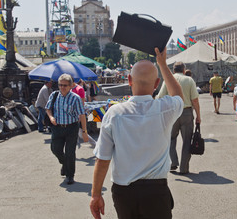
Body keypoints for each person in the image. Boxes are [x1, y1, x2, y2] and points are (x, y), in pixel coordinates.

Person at [90, 48, 184, 219]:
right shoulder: (165, 109)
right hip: (156, 191)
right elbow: (178, 95)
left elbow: (102, 159)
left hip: (124, 192)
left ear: (129, 80)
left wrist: (96, 195)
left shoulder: (114, 114)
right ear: (156, 84)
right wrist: (163, 64)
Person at [157, 61, 201, 174]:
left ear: (173, 70)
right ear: (183, 70)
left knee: (171, 139)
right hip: (186, 113)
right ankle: (184, 168)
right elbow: (195, 100)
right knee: (187, 141)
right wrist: (198, 116)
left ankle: (173, 162)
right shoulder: (189, 80)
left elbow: (160, 97)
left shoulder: (168, 80)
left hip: (172, 113)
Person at [45, 74, 89, 185]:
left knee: (70, 153)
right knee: (55, 149)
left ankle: (70, 175)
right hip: (57, 128)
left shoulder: (76, 98)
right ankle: (64, 163)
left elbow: (82, 115)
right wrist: (51, 117)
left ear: (70, 86)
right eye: (60, 85)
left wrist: (84, 131)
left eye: (65, 85)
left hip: (71, 128)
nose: (62, 87)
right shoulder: (54, 96)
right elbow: (48, 108)